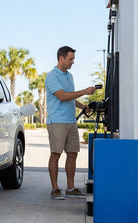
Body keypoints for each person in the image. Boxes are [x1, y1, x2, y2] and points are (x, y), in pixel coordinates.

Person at [45, 46, 96, 200]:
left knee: (72, 154)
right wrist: (84, 91)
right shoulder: (52, 76)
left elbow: (71, 98)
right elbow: (62, 96)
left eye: (73, 59)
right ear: (61, 58)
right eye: (70, 59)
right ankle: (55, 189)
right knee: (56, 154)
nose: (73, 62)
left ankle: (71, 188)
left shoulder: (70, 76)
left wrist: (83, 106)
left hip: (70, 121)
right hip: (57, 122)